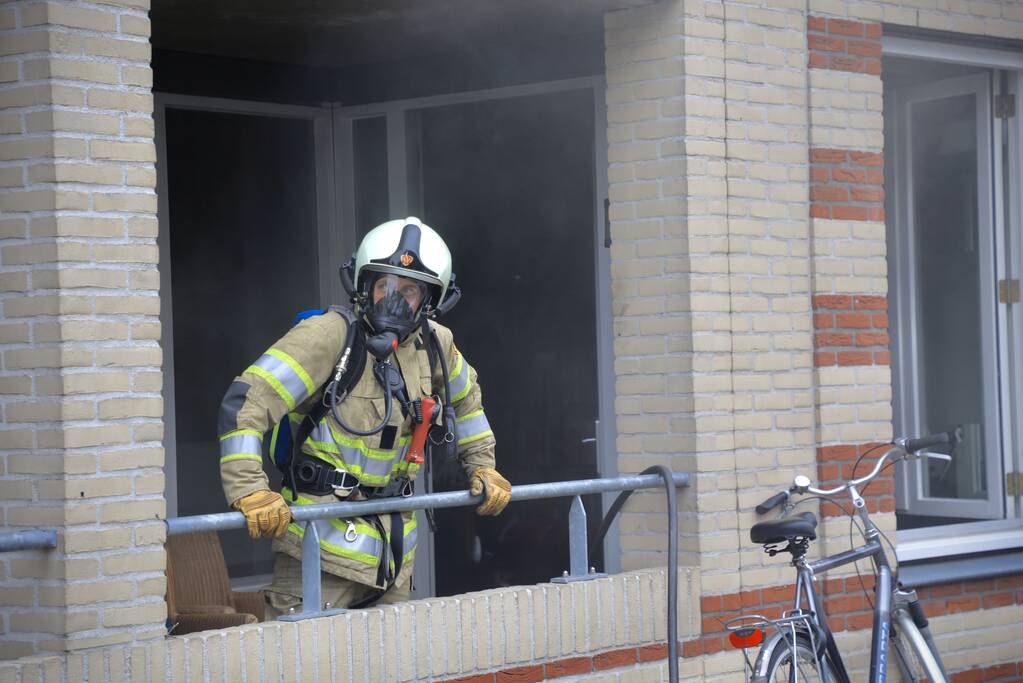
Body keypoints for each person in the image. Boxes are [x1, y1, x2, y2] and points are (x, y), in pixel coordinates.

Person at [217, 217, 511, 615]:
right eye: (384, 285)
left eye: (408, 290)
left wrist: (483, 467)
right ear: (363, 285)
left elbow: (468, 403)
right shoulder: (328, 337)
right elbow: (246, 402)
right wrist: (249, 488)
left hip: (391, 561)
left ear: (429, 300)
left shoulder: (435, 344)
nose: (393, 299)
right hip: (319, 557)